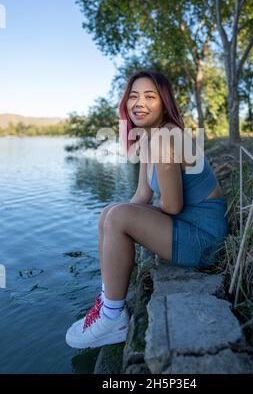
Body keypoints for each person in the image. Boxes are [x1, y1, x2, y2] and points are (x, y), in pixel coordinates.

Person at [65, 69, 229, 349]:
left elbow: (173, 206)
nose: (139, 103)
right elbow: (142, 194)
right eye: (133, 96)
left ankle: (113, 318)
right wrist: (116, 219)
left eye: (149, 96)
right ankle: (108, 303)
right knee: (110, 212)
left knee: (118, 217)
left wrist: (127, 222)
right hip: (187, 226)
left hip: (204, 239)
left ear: (164, 102)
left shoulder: (167, 137)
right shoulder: (149, 137)